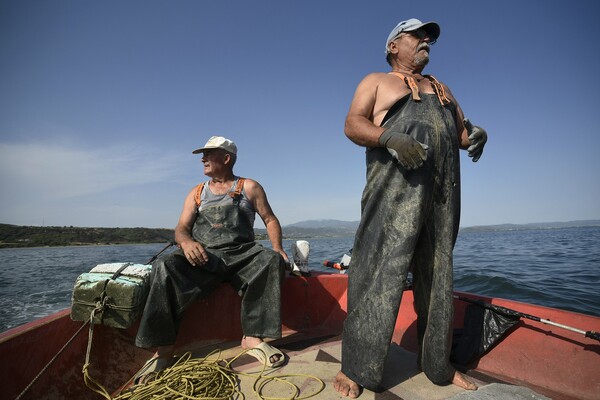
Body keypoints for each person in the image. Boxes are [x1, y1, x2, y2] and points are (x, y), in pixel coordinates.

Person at [334, 18, 487, 398]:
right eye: (416, 37)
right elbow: (353, 124)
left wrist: (476, 135)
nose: (425, 42)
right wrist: (389, 137)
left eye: (428, 38)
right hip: (392, 194)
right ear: (393, 47)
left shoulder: (442, 88)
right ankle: (356, 367)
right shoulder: (375, 81)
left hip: (441, 197)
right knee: (376, 273)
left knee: (438, 276)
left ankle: (438, 365)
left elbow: (462, 133)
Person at [134, 136, 289, 382]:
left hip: (242, 255)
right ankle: (162, 348)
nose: (203, 159)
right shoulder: (197, 193)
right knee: (165, 265)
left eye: (209, 154)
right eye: (202, 155)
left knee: (271, 260)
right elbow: (182, 228)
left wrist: (278, 248)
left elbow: (269, 219)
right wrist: (186, 242)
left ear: (226, 158)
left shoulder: (249, 187)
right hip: (205, 257)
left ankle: (253, 337)